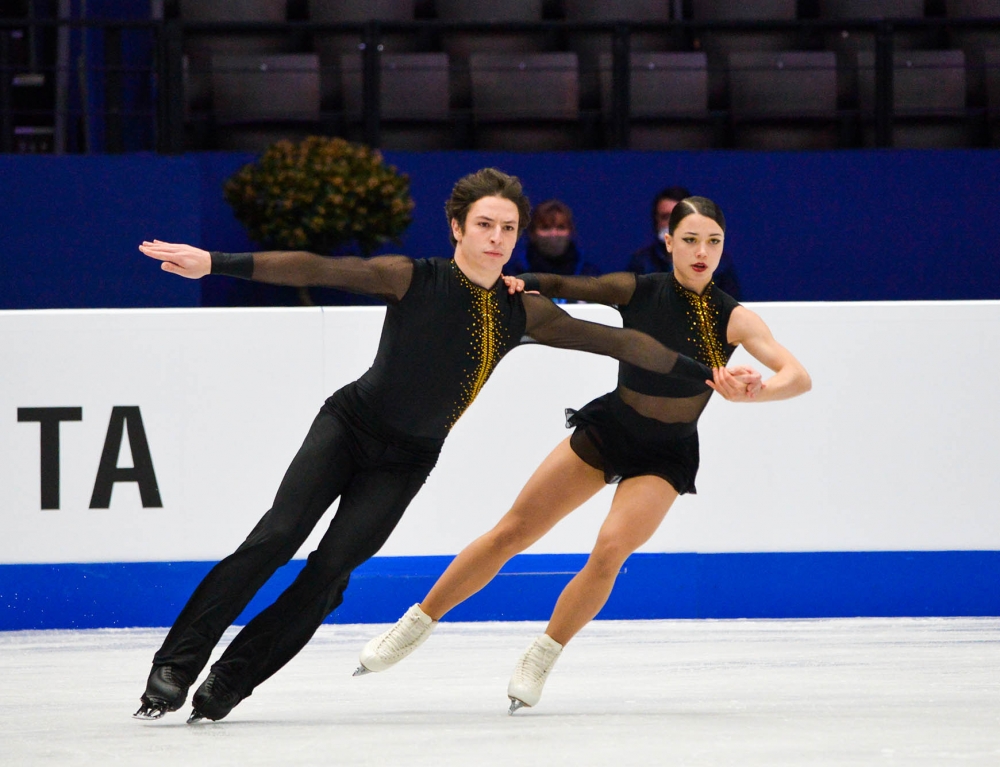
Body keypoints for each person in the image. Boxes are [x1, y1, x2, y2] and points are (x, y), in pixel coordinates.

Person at [131, 169, 742, 724]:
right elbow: (317, 267)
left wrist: (705, 374)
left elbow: (618, 344)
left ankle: (230, 682)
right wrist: (215, 261)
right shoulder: (412, 277)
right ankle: (176, 666)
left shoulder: (523, 311)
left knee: (330, 573)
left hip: (409, 458)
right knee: (276, 537)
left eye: (508, 228)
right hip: (348, 426)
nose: (497, 238)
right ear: (457, 227)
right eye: (484, 225)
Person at [355, 196, 811, 714]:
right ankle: (417, 623)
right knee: (515, 529)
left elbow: (798, 376)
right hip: (609, 429)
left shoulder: (734, 317)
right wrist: (519, 280)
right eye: (689, 240)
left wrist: (756, 392)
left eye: (713, 241)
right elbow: (570, 285)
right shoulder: (638, 289)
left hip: (666, 454)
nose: (701, 251)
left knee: (610, 549)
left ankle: (542, 655)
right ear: (668, 243)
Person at [628, 185, 742, 300]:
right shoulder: (642, 263)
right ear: (655, 221)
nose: (672, 223)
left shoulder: (718, 264)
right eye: (665, 217)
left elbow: (733, 309)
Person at [506, 199, 600, 279]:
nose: (554, 234)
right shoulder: (513, 274)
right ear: (532, 233)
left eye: (561, 227)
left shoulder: (589, 275)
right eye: (545, 228)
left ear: (571, 231)